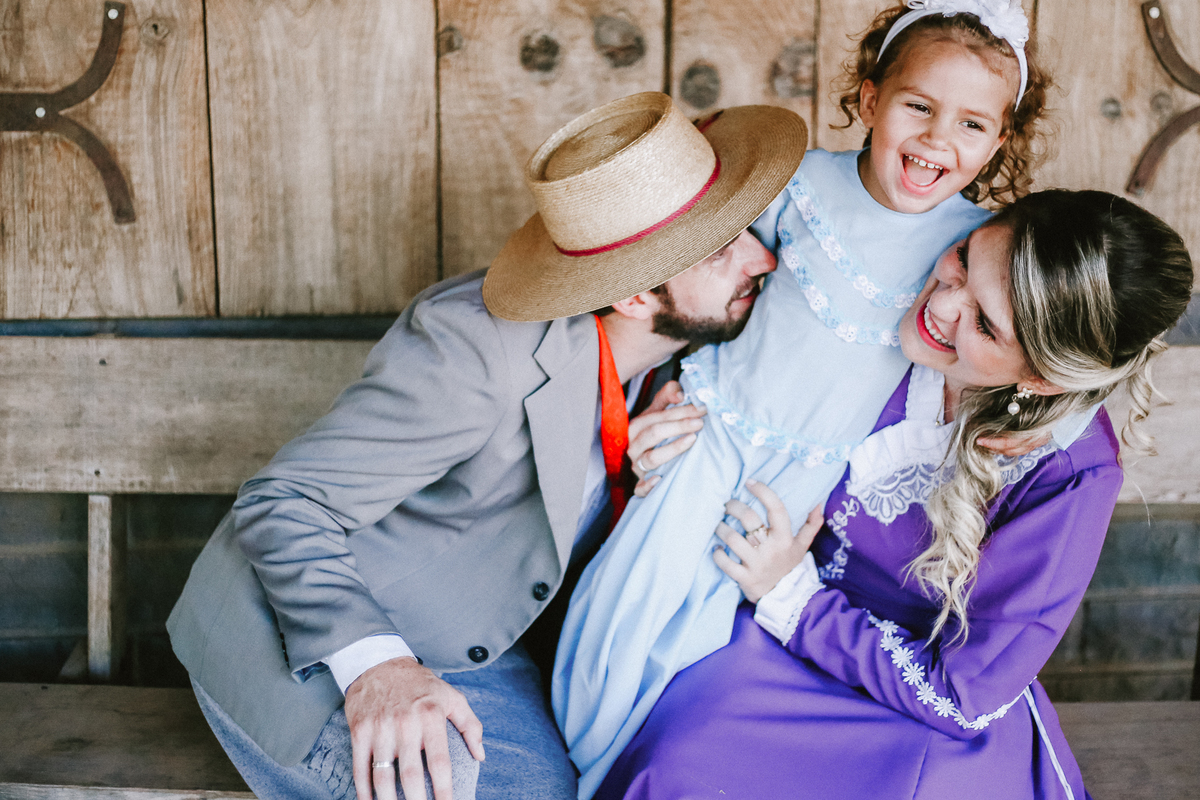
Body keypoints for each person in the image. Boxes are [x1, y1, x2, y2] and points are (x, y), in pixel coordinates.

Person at [165, 92, 807, 800]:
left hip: (474, 640)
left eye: (747, 230)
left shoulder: (684, 363)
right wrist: (379, 669)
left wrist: (626, 476)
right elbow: (283, 503)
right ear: (631, 296)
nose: (763, 260)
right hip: (308, 634)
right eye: (721, 249)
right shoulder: (475, 351)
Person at [553, 3, 1056, 794]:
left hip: (810, 483)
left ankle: (648, 772)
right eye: (918, 107)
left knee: (705, 645)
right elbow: (701, 288)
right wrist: (658, 391)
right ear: (867, 98)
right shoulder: (801, 184)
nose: (936, 141)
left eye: (971, 125)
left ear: (999, 141)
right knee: (628, 611)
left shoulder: (975, 244)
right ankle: (581, 769)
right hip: (711, 433)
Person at [596, 189, 1193, 799]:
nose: (942, 304)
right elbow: (725, 346)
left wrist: (792, 597)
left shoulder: (1069, 474)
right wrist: (662, 414)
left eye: (985, 323)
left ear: (1039, 378)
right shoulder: (872, 300)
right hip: (763, 644)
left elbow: (965, 696)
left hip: (916, 697)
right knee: (675, 772)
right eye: (963, 258)